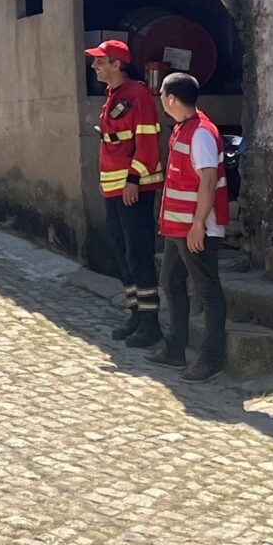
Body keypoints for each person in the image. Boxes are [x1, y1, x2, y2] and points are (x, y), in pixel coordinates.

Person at [144, 72, 228, 382]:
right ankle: (175, 348)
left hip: (194, 229)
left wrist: (197, 225)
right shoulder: (183, 129)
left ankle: (211, 357)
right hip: (176, 228)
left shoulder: (201, 133)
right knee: (171, 283)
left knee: (208, 291)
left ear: (171, 99)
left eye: (162, 95)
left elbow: (208, 180)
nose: (161, 101)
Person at [87, 41, 166, 346]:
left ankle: (151, 322)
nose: (95, 67)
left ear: (117, 64)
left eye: (100, 62)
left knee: (138, 253)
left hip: (133, 189)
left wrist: (133, 179)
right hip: (114, 189)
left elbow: (146, 142)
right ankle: (136, 313)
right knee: (122, 252)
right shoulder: (114, 97)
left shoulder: (138, 96)